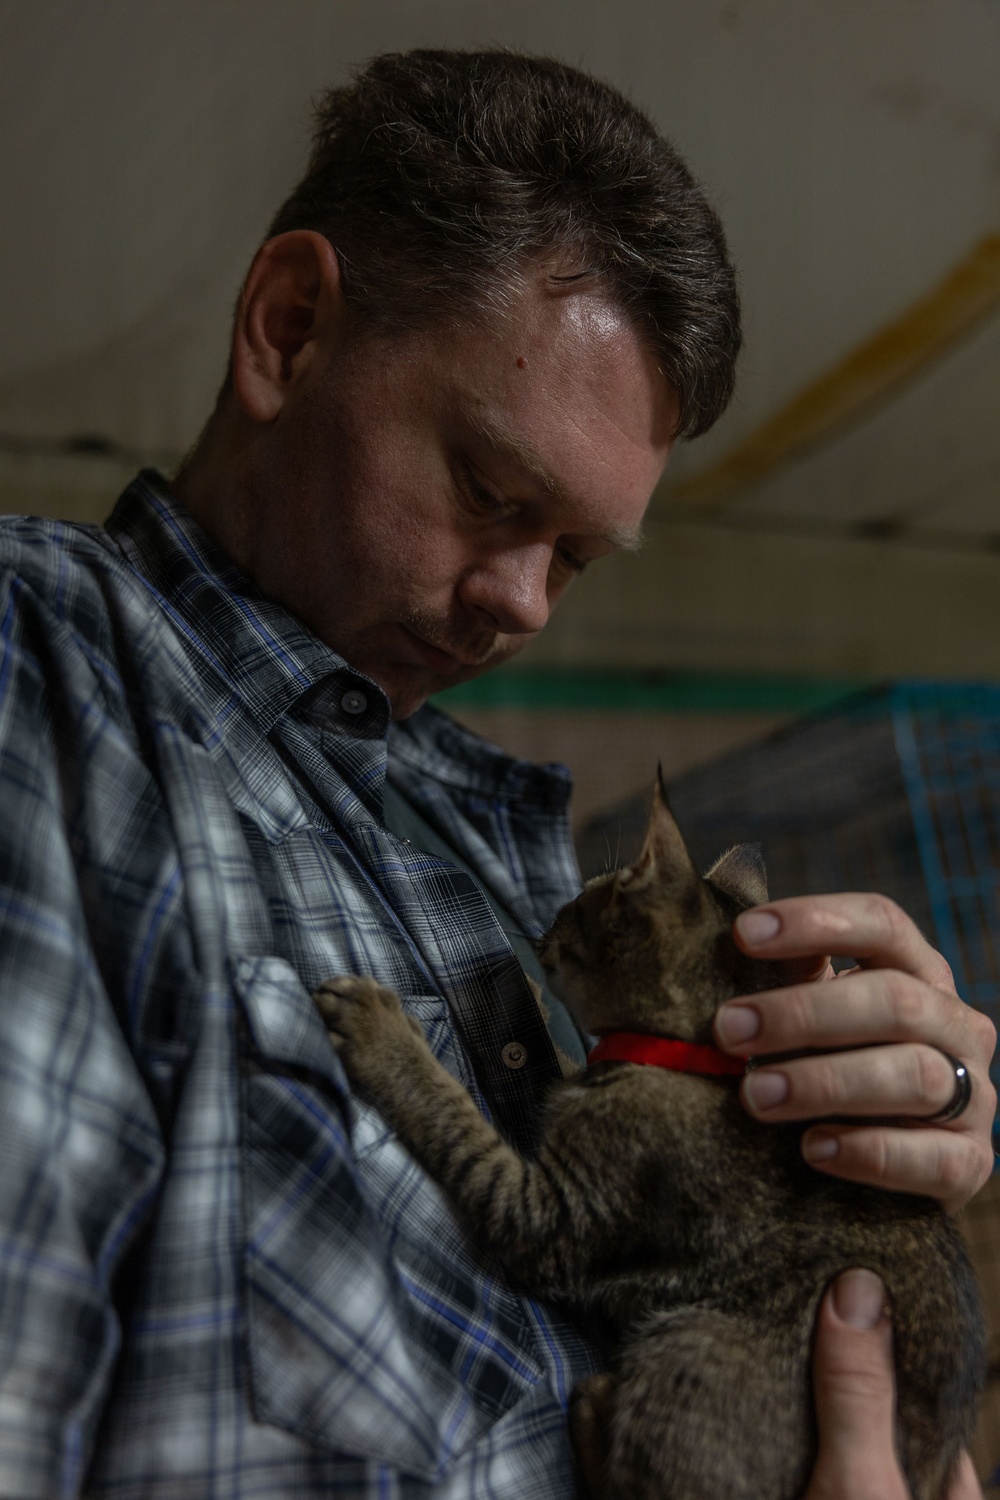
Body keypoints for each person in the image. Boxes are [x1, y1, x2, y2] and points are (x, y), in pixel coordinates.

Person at [0, 48, 991, 1500]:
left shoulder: (494, 835)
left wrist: (875, 1132)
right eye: (490, 490)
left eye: (575, 555)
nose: (523, 603)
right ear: (287, 330)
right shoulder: (47, 677)